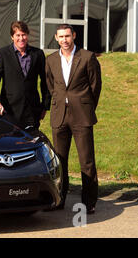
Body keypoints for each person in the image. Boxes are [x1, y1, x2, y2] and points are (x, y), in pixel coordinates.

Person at [45, 24, 102, 214]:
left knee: (86, 160)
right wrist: (61, 101)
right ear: (56, 38)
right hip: (59, 114)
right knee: (60, 161)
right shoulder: (51, 60)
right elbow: (51, 86)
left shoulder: (87, 57)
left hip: (81, 114)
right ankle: (60, 199)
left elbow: (95, 86)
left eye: (67, 36)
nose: (64, 40)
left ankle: (89, 202)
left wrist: (85, 105)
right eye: (61, 37)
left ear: (74, 36)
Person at [0, 21, 51, 131]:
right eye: (18, 35)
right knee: (9, 142)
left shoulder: (38, 54)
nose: (21, 38)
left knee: (31, 141)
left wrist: (45, 106)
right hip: (9, 109)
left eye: (23, 35)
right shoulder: (2, 54)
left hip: (32, 110)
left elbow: (45, 81)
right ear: (12, 37)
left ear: (27, 35)